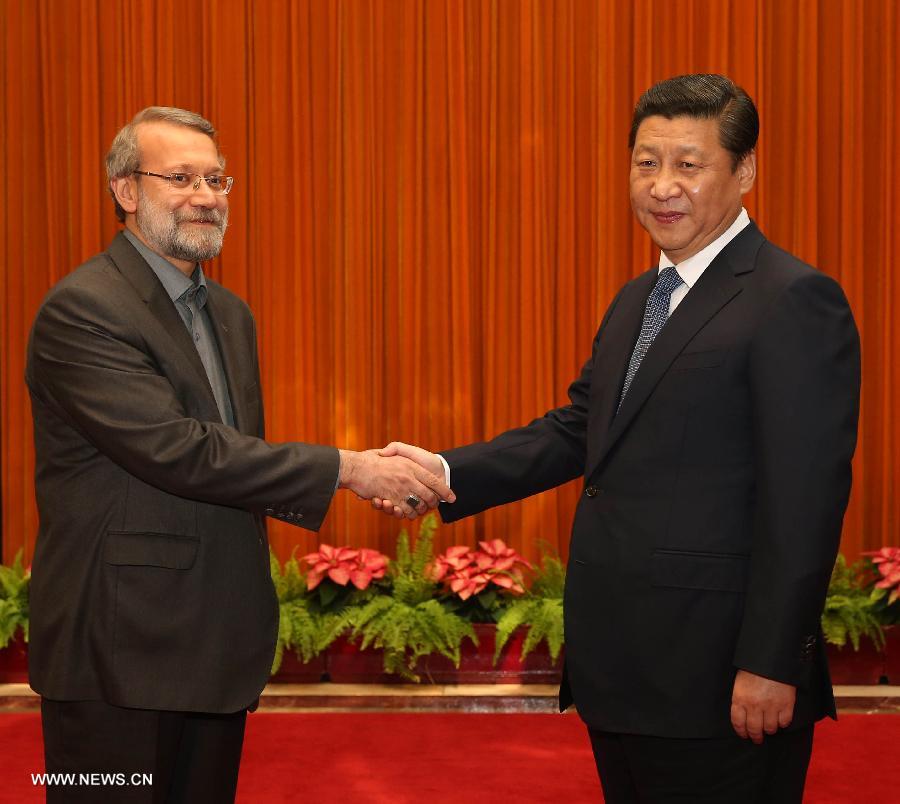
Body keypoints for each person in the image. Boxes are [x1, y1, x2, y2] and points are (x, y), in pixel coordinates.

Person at [377, 75, 861, 803]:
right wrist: (447, 470)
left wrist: (772, 663)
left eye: (688, 165)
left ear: (745, 171)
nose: (662, 186)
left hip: (720, 677)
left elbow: (806, 503)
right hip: (627, 671)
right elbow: (581, 428)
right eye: (645, 162)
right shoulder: (640, 296)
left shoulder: (792, 299)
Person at [25, 106, 453, 803]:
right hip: (117, 648)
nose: (206, 195)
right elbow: (177, 450)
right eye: (182, 177)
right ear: (126, 191)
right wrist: (350, 468)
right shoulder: (84, 308)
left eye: (217, 179)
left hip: (213, 639)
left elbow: (237, 457)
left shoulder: (228, 313)